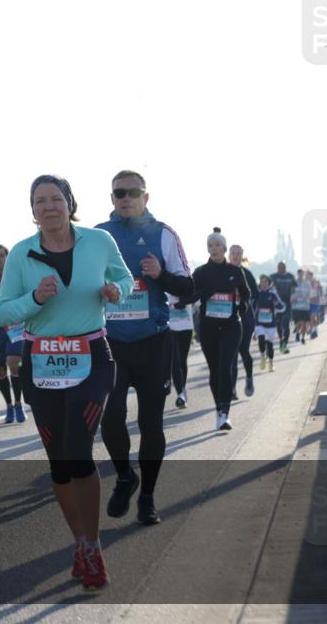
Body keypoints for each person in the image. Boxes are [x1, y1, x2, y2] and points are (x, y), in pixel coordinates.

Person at [0, 175, 133, 591]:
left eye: (56, 198)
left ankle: (92, 545)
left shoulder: (98, 242)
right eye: (40, 201)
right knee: (59, 460)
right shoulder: (22, 253)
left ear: (70, 203)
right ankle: (79, 541)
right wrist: (34, 299)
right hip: (42, 363)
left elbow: (125, 281)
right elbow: (2, 314)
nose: (49, 206)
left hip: (91, 357)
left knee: (78, 449)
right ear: (32, 209)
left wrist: (116, 291)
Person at [96, 170, 194, 525]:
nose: (125, 198)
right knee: (110, 417)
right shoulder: (96, 236)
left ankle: (148, 497)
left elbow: (189, 290)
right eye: (119, 193)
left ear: (145, 197)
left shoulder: (163, 234)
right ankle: (125, 475)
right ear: (112, 199)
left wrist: (160, 276)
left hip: (153, 343)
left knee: (151, 424)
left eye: (132, 192)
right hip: (110, 343)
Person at [182, 229, 251, 431]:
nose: (213, 248)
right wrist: (185, 301)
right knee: (214, 371)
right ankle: (218, 407)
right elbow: (191, 294)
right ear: (208, 249)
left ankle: (225, 414)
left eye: (217, 245)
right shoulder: (202, 272)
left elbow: (246, 294)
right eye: (210, 245)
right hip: (209, 326)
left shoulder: (235, 271)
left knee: (225, 367)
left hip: (231, 325)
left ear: (224, 248)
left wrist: (243, 305)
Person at [0, 244, 27, 423]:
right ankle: (8, 405)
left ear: (7, 258)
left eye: (2, 255)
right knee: (0, 370)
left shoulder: (15, 276)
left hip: (15, 326)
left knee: (14, 363)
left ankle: (18, 403)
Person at [228, 245, 258, 399]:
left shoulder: (246, 274)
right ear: (228, 254)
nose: (235, 256)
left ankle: (249, 378)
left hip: (245, 317)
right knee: (231, 355)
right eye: (233, 253)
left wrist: (244, 299)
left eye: (238, 253)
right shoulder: (223, 272)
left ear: (242, 256)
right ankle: (232, 389)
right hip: (228, 317)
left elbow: (256, 295)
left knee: (243, 351)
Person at [167, 293, 194, 408]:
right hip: (169, 326)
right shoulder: (162, 277)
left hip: (186, 325)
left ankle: (182, 388)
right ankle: (180, 394)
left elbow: (195, 300)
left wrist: (184, 300)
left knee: (182, 361)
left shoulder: (187, 278)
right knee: (175, 360)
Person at [253, 275, 286, 372]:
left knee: (270, 345)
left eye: (265, 282)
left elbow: (281, 306)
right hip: (260, 323)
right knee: (261, 339)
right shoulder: (257, 294)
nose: (263, 283)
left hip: (271, 323)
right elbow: (252, 306)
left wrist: (277, 306)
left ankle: (271, 364)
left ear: (269, 283)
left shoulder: (273, 294)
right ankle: (263, 357)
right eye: (262, 282)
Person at [269, 262, 296, 354]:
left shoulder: (290, 276)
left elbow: (294, 287)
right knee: (279, 325)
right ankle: (281, 340)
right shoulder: (273, 276)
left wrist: (293, 296)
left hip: (287, 304)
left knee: (286, 325)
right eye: (279, 267)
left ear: (285, 267)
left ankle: (284, 344)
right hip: (277, 305)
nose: (280, 269)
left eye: (282, 267)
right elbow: (268, 286)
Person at [291, 269, 311, 345]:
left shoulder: (307, 283)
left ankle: (302, 338)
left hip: (305, 306)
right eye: (299, 274)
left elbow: (309, 293)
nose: (300, 275)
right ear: (297, 274)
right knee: (299, 322)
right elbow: (292, 293)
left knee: (304, 323)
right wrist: (293, 298)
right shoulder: (294, 283)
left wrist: (306, 297)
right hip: (296, 306)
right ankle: (297, 333)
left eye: (302, 274)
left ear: (303, 274)